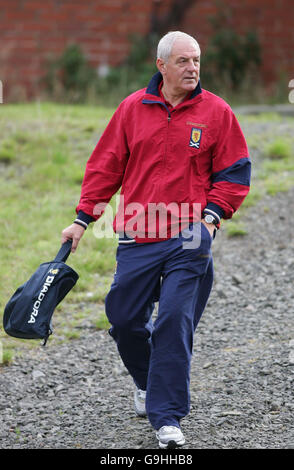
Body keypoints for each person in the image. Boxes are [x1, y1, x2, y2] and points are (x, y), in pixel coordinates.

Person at [61, 31, 251, 448]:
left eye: (197, 60)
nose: (193, 69)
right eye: (183, 61)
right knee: (125, 318)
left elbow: (235, 173)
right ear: (161, 65)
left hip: (189, 236)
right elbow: (105, 167)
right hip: (137, 232)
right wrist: (82, 219)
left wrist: (211, 217)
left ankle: (167, 420)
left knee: (173, 322)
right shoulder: (132, 109)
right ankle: (149, 382)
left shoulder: (217, 112)